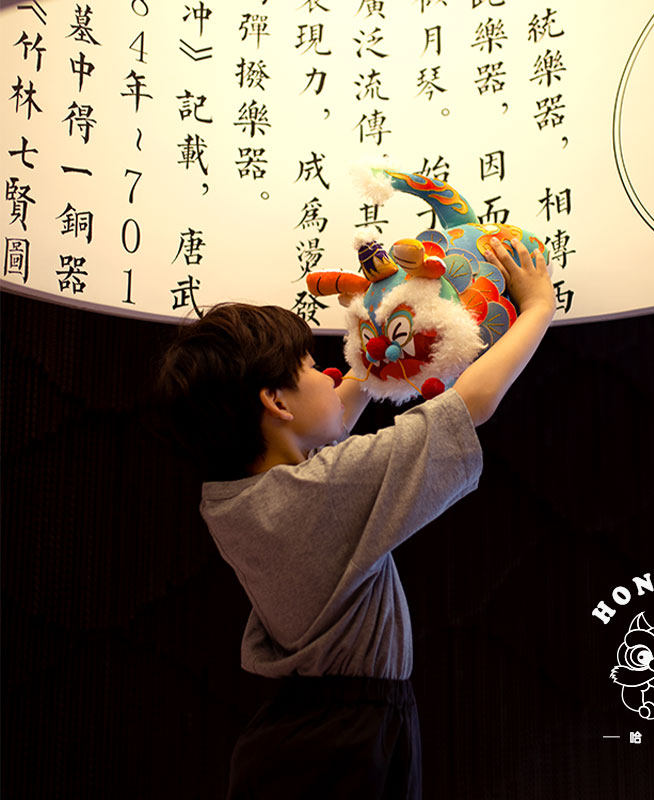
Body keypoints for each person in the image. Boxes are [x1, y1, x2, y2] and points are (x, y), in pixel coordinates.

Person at [157, 236, 555, 799]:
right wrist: (538, 306)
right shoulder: (321, 489)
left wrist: (376, 349)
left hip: (308, 731)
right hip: (345, 741)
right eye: (309, 367)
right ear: (276, 402)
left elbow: (332, 419)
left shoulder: (236, 499)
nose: (330, 374)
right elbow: (470, 403)